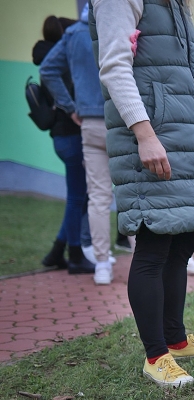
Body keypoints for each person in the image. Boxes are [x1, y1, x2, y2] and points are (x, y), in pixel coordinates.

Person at [91, 0, 194, 388]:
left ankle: (177, 340)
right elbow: (114, 66)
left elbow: (183, 83)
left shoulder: (174, 6)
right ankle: (156, 356)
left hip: (181, 137)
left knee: (182, 241)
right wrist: (144, 134)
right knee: (153, 245)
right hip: (150, 137)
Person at [41, 4, 115, 284]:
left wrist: (70, 106)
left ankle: (102, 266)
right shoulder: (116, 25)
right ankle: (140, 261)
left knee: (97, 197)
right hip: (121, 121)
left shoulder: (73, 33)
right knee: (132, 194)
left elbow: (49, 70)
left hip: (90, 124)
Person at [35, 16, 92, 274]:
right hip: (72, 135)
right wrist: (72, 109)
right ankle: (76, 256)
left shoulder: (48, 56)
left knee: (79, 198)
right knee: (77, 198)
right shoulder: (67, 60)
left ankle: (57, 251)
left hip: (59, 136)